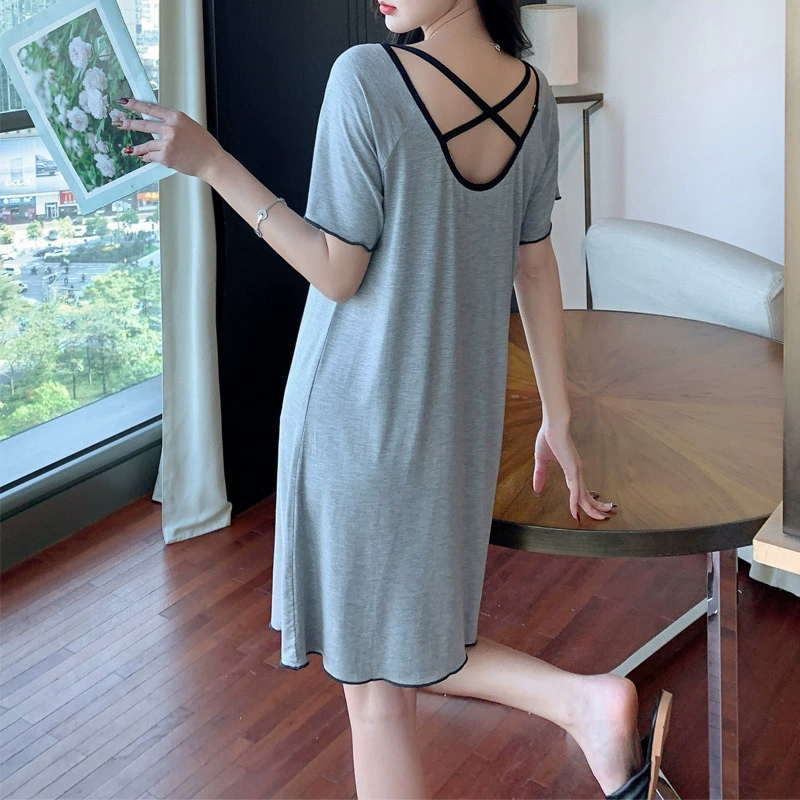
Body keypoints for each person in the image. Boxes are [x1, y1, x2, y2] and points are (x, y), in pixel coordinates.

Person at [114, 1, 673, 797]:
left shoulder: (367, 78)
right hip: (458, 428)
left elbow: (336, 271)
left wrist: (211, 163)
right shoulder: (535, 96)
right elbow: (536, 264)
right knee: (408, 637)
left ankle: (587, 705)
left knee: (377, 688)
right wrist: (559, 415)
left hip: (358, 421)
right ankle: (586, 705)